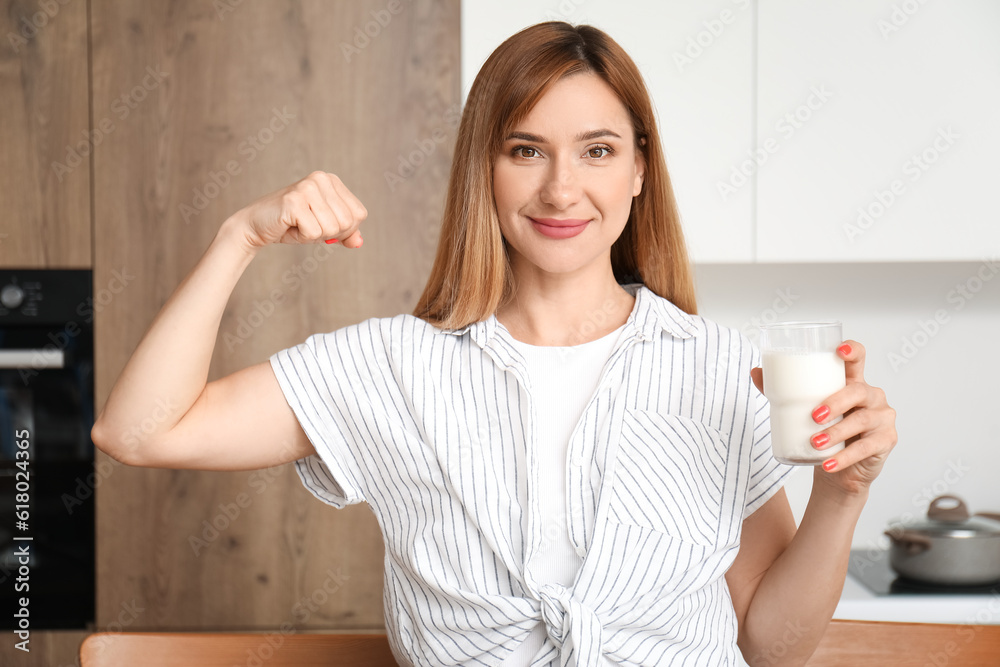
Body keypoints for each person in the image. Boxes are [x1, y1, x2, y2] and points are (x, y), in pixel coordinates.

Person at [92, 21, 897, 667]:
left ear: (640, 171)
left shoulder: (724, 368)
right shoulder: (390, 368)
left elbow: (769, 645)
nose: (560, 188)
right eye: (525, 150)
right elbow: (138, 430)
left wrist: (842, 495)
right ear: (485, 167)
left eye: (598, 150)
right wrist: (240, 235)